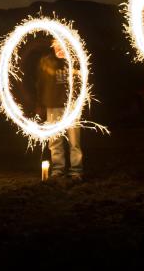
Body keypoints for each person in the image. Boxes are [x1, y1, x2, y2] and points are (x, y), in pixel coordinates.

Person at [35, 38, 83, 181]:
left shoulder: (74, 59)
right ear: (52, 45)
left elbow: (84, 80)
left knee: (74, 141)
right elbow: (40, 83)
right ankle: (58, 169)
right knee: (55, 141)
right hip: (53, 105)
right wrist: (40, 103)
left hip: (72, 106)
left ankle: (76, 171)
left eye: (61, 44)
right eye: (56, 44)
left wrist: (77, 72)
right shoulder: (46, 61)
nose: (58, 47)